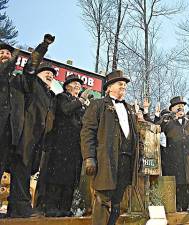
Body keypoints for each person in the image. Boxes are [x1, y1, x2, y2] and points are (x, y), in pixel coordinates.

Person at [81, 69, 140, 225]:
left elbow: (135, 135)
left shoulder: (130, 108)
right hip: (106, 159)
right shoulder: (98, 105)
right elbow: (87, 132)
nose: (124, 86)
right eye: (120, 83)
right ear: (109, 87)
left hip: (126, 160)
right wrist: (89, 157)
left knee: (117, 201)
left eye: (125, 84)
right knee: (103, 199)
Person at [7, 34, 56, 218]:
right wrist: (43, 47)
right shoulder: (32, 83)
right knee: (21, 171)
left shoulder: (49, 95)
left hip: (38, 141)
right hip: (24, 136)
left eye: (52, 75)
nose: (50, 75)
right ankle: (21, 207)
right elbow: (31, 66)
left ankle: (17, 209)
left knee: (26, 173)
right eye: (46, 73)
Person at [41, 75, 92, 217]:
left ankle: (65, 207)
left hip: (75, 148)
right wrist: (80, 101)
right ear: (67, 86)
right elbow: (65, 110)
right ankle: (51, 207)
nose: (78, 86)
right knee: (57, 177)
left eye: (79, 84)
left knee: (71, 179)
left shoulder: (80, 104)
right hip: (60, 145)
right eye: (74, 83)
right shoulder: (62, 97)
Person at [156, 96, 189, 213]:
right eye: (178, 106)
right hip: (174, 155)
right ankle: (179, 204)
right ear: (172, 108)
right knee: (179, 180)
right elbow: (157, 127)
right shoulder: (168, 122)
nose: (181, 107)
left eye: (182, 105)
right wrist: (169, 117)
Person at [0, 43, 19, 182]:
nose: (5, 55)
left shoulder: (15, 80)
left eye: (8, 53)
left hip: (6, 132)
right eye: (2, 52)